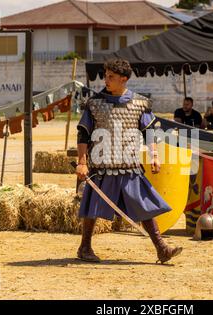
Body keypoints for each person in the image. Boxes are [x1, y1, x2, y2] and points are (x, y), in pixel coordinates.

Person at [76, 58, 183, 264]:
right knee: (93, 206)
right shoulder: (94, 103)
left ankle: (161, 248)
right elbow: (83, 134)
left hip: (129, 165)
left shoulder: (139, 104)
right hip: (102, 165)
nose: (106, 80)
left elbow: (149, 131)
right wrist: (82, 162)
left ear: (123, 79)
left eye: (111, 77)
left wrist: (153, 155)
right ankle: (85, 247)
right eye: (106, 76)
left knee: (144, 206)